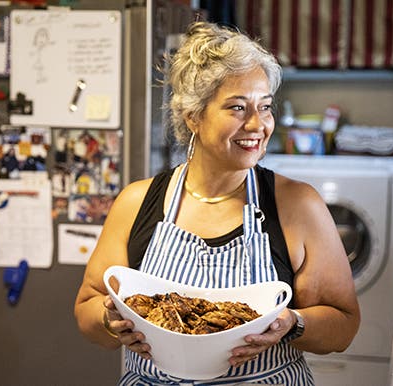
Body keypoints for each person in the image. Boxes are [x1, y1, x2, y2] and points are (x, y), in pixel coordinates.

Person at [74, 21, 360, 385]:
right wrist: (109, 321)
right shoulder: (138, 202)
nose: (258, 124)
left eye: (266, 107)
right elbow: (87, 310)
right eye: (238, 108)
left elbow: (344, 325)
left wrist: (292, 324)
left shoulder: (297, 205)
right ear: (193, 116)